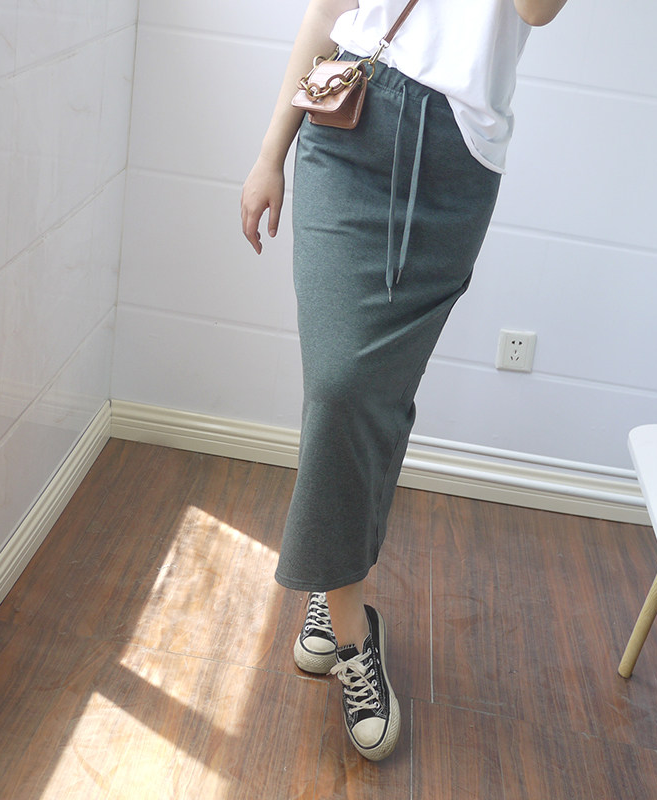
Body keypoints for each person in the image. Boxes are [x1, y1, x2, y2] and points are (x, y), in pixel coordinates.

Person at [241, 0, 568, 762]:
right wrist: (269, 153)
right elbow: (330, 7)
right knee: (338, 386)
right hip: (349, 120)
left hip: (457, 161)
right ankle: (352, 632)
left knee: (375, 395)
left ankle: (332, 582)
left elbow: (536, 12)